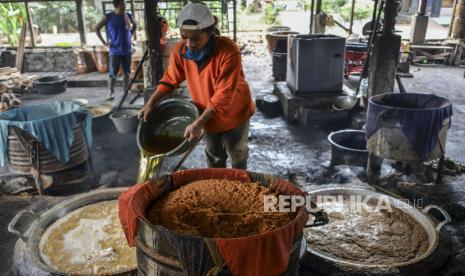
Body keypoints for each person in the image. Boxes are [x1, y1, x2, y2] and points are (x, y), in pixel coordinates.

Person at [138, 2, 255, 169]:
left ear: (210, 33)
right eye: (184, 37)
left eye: (195, 38)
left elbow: (224, 94)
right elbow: (170, 79)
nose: (189, 44)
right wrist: (151, 103)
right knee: (214, 156)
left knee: (238, 154)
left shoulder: (228, 51)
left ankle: (240, 188)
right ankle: (216, 189)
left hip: (234, 113)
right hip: (207, 113)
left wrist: (199, 122)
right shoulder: (181, 51)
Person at [96, 0, 136, 100]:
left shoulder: (127, 15)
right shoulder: (109, 16)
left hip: (127, 49)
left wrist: (130, 34)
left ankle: (126, 91)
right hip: (115, 50)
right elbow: (96, 28)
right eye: (123, 4)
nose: (125, 6)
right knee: (113, 72)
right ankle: (111, 92)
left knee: (127, 72)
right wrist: (104, 42)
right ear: (117, 5)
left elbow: (135, 25)